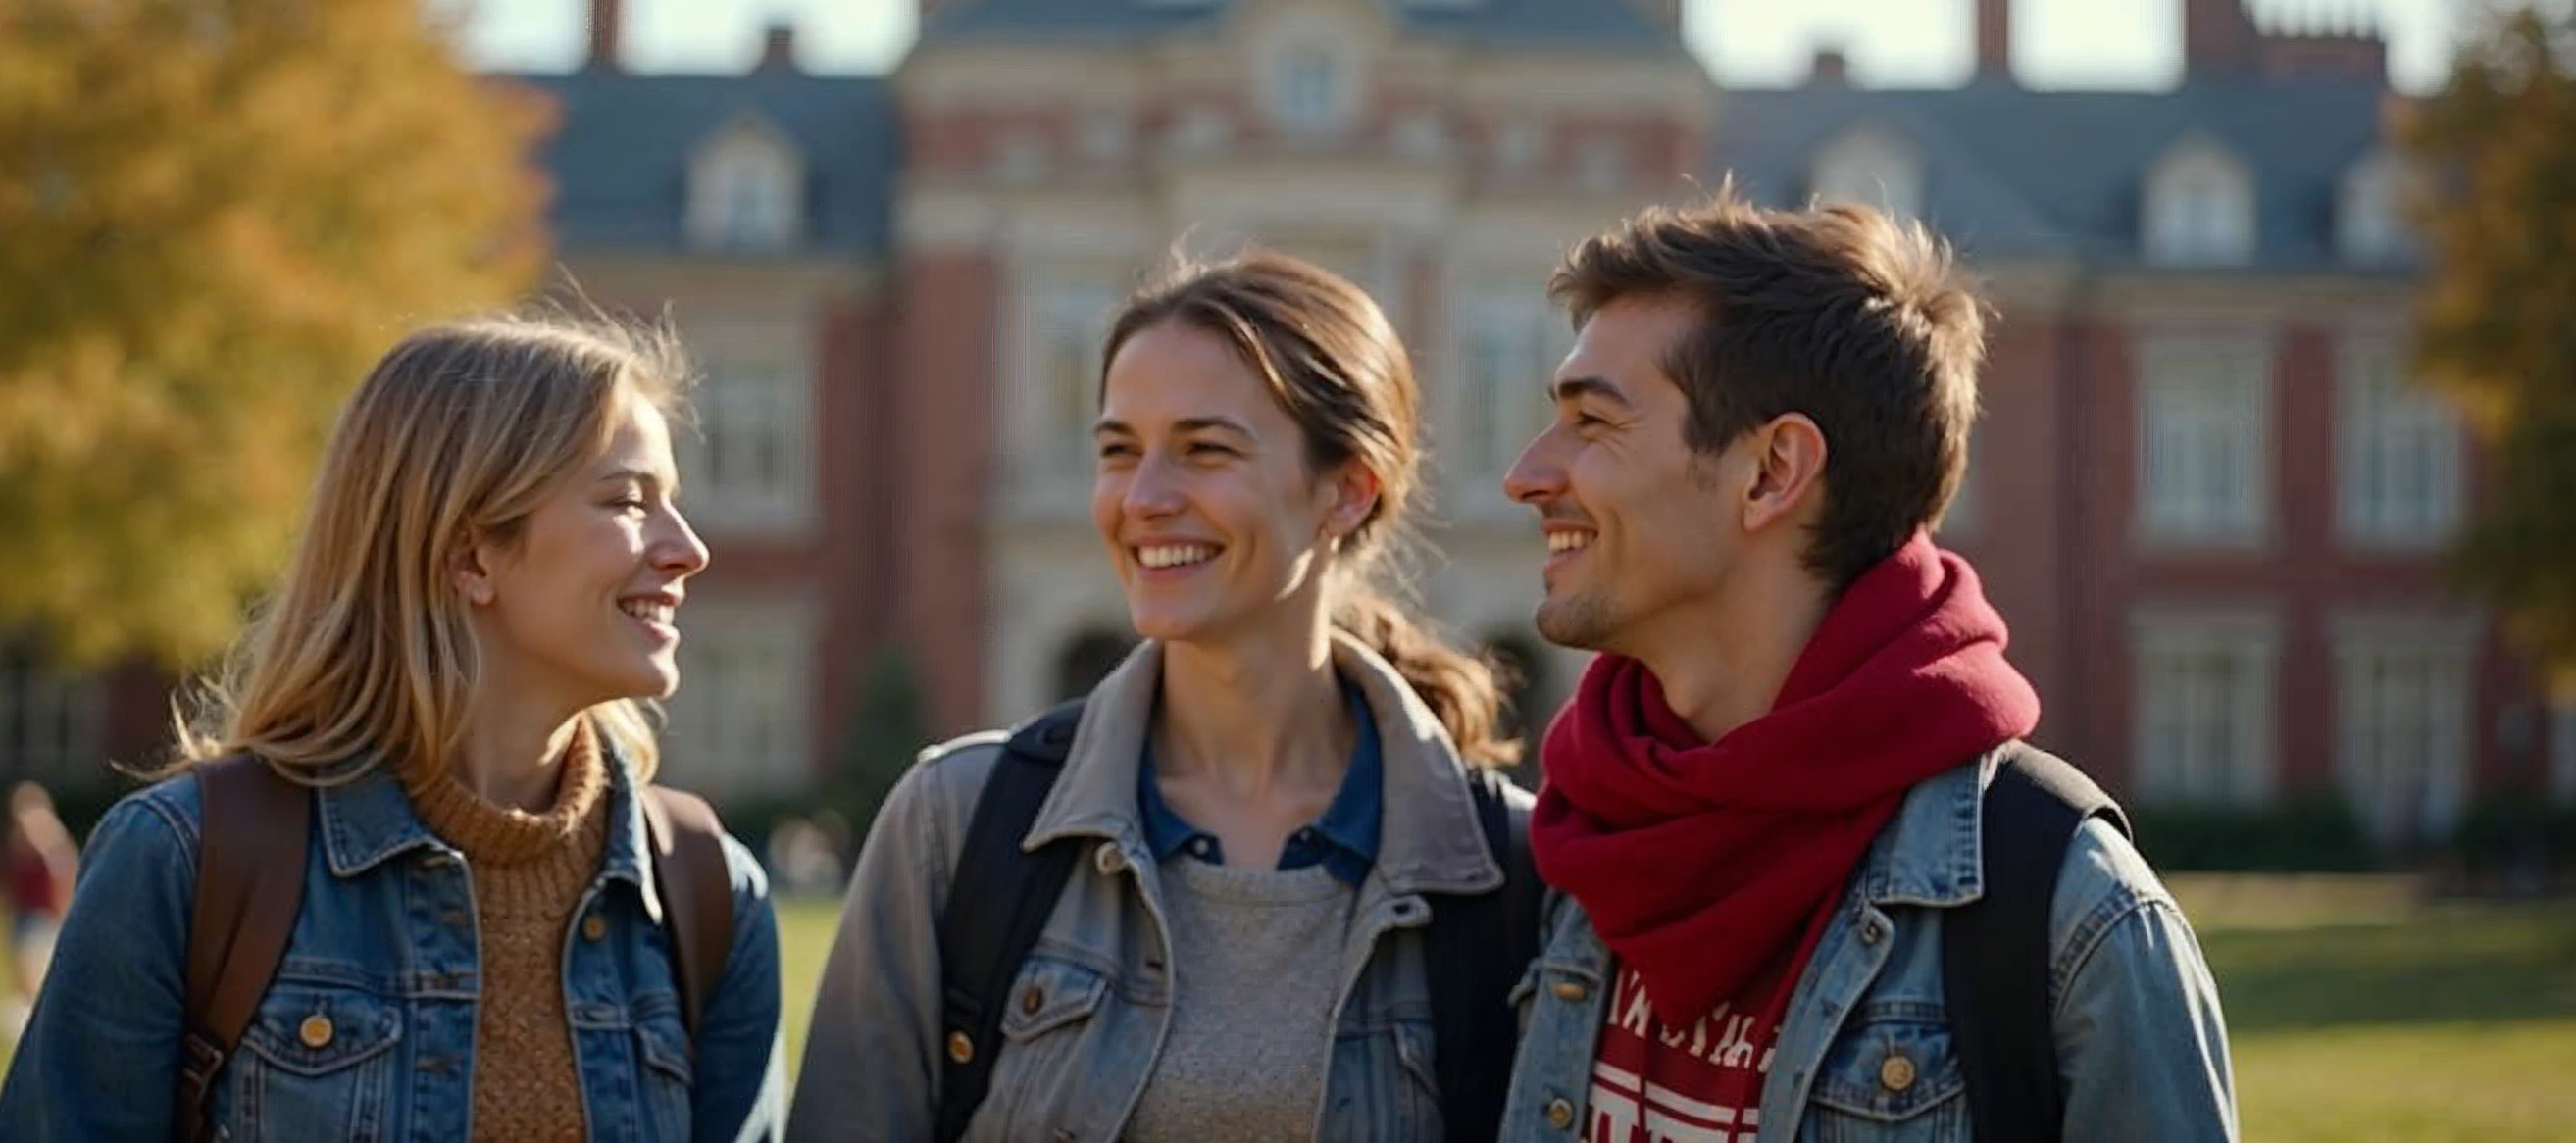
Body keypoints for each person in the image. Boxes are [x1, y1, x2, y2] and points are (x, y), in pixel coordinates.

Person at [1494, 197, 2236, 1141]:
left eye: (1593, 424)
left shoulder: (2069, 912)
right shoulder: (1567, 854)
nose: (1524, 474)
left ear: (1771, 472)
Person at [0, 315, 785, 1143]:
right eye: (627, 500)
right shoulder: (179, 863)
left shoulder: (708, 896)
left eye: (674, 505)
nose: (687, 550)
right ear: (470, 554)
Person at [793, 252, 1540, 1142]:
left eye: (1204, 450)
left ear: (1347, 492)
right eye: (1118, 451)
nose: (1142, 499)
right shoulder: (957, 826)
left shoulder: (1509, 872)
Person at [0, 781, 80, 1028]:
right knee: (25, 974)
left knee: (37, 973)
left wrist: (62, 910)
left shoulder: (49, 839)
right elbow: (8, 881)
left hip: (41, 917)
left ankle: (37, 1021)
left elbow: (62, 877)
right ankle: (30, 1018)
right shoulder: (17, 841)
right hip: (26, 916)